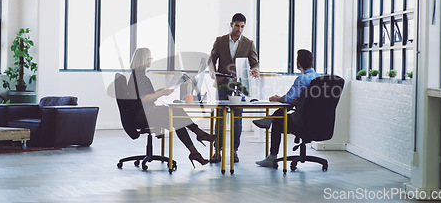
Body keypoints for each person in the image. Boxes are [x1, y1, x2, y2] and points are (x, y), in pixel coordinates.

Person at [129, 48, 216, 168]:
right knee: (175, 112)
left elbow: (145, 96)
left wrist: (159, 91)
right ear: (144, 60)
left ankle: (195, 151)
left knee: (177, 118)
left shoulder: (139, 75)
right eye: (150, 58)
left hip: (143, 112)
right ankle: (199, 135)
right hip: (142, 115)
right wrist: (162, 93)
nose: (151, 60)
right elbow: (143, 99)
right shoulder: (139, 77)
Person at [253, 49, 320, 167]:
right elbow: (304, 100)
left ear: (298, 64)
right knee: (295, 102)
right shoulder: (319, 78)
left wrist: (277, 98)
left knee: (278, 122)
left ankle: (272, 156)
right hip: (317, 120)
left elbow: (288, 98)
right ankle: (269, 119)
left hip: (302, 120)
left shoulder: (302, 79)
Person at [208, 13, 260, 162]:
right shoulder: (220, 41)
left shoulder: (249, 43)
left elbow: (254, 62)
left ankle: (234, 151)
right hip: (223, 85)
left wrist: (255, 69)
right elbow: (211, 60)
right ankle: (217, 151)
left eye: (242, 26)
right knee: (220, 118)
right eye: (237, 25)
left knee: (237, 119)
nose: (239, 29)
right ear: (231, 25)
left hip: (239, 86)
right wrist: (213, 74)